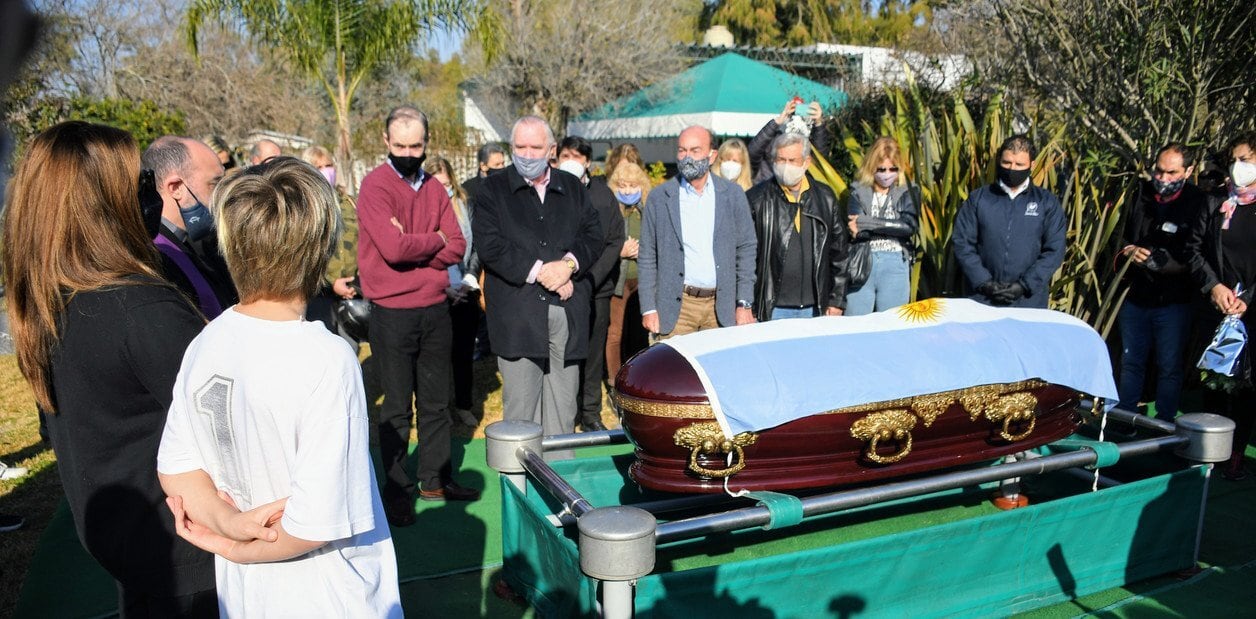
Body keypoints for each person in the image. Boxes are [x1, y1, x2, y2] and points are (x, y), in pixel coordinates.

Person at [156, 157, 402, 617]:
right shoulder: (327, 358)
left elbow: (177, 469)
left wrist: (227, 524)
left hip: (248, 597)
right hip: (330, 594)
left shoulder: (206, 342)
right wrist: (234, 544)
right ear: (322, 244)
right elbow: (316, 522)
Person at [2, 121, 218, 616]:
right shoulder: (140, 309)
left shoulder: (50, 299)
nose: (146, 196)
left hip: (122, 533)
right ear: (102, 203)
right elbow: (228, 415)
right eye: (135, 183)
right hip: (184, 549)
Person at [358, 105, 477, 527]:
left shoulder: (433, 188)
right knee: (395, 409)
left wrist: (416, 243)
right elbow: (391, 249)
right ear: (386, 143)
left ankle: (436, 479)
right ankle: (395, 492)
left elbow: (457, 245)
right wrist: (433, 242)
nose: (410, 152)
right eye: (401, 145)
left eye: (417, 145)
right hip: (391, 314)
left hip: (434, 309)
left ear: (427, 143)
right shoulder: (375, 186)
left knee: (435, 403)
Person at [471, 116, 602, 456]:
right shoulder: (492, 191)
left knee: (562, 411)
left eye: (535, 147)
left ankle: (562, 491)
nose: (527, 154)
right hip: (518, 316)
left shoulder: (572, 188)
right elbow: (491, 246)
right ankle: (522, 495)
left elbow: (593, 235)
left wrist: (569, 265)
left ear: (552, 150)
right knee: (521, 414)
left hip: (567, 311)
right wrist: (543, 272)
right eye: (520, 147)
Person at [1115, 143, 1208, 422]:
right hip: (1134, 295)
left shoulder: (1198, 201)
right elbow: (1118, 235)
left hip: (1174, 301)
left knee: (1169, 365)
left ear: (1188, 171)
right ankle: (1125, 418)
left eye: (1171, 172)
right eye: (1159, 170)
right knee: (1131, 361)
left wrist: (1165, 262)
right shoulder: (1139, 193)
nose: (1163, 178)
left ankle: (1164, 424)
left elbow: (1196, 251)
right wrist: (1129, 251)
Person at [639, 125, 758, 339]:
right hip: (677, 308)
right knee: (674, 372)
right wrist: (648, 308)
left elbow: (746, 248)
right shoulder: (660, 197)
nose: (687, 158)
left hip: (721, 308)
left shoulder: (732, 195)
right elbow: (647, 254)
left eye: (695, 151)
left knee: (720, 372)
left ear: (712, 156)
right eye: (682, 150)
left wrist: (744, 303)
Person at [1185, 132, 1256, 480]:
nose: (1236, 167)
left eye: (1245, 160)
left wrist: (1248, 299)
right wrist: (1214, 286)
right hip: (1217, 306)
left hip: (1250, 310)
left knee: (1247, 385)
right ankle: (1209, 451)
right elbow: (1194, 249)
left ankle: (1237, 453)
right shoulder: (1215, 202)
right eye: (1234, 159)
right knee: (1214, 381)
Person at [557, 135, 626, 432]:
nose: (571, 161)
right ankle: (566, 410)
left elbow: (614, 241)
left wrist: (590, 278)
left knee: (593, 351)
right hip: (559, 287)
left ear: (587, 161)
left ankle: (589, 411)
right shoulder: (551, 191)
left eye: (577, 155)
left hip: (595, 288)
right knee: (566, 351)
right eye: (565, 155)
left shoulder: (602, 194)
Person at [952, 134, 1066, 308]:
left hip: (1028, 302)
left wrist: (1024, 286)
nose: (1012, 168)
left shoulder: (1046, 202)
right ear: (999, 161)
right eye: (1007, 163)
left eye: (1019, 164)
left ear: (1032, 165)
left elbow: (1054, 250)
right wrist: (985, 283)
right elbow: (962, 243)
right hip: (981, 300)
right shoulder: (979, 199)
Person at [746, 133, 848, 320]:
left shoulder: (825, 198)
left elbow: (839, 253)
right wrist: (748, 305)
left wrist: (837, 300)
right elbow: (746, 257)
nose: (786, 166)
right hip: (772, 308)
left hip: (815, 308)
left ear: (806, 162)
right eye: (781, 159)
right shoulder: (756, 199)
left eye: (792, 160)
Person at [142, 136, 239, 319]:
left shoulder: (198, 243)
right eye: (214, 184)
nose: (223, 195)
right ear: (176, 187)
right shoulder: (154, 258)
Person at [425, 156, 482, 428]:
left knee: (463, 353)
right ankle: (439, 408)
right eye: (437, 184)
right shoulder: (421, 209)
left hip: (465, 288)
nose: (443, 190)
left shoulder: (465, 204)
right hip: (436, 290)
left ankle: (463, 405)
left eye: (447, 184)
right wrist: (444, 284)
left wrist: (469, 277)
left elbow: (476, 244)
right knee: (436, 356)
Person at [844, 136, 920, 315]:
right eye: (881, 169)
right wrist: (890, 226)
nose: (887, 174)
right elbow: (855, 230)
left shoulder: (909, 190)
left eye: (893, 169)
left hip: (895, 262)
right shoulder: (858, 191)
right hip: (862, 262)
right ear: (872, 167)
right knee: (855, 324)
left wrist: (868, 223)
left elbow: (908, 227)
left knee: (892, 326)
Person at [300, 145, 359, 335]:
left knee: (351, 347)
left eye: (328, 165)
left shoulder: (350, 202)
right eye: (318, 167)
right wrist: (332, 282)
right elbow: (304, 253)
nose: (326, 171)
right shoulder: (302, 207)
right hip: (320, 294)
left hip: (354, 289)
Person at [606, 161, 652, 386]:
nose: (626, 190)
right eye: (622, 185)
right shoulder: (612, 211)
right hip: (619, 280)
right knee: (615, 333)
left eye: (632, 185)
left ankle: (636, 377)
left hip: (641, 280)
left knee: (638, 333)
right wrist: (620, 250)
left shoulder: (646, 211)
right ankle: (614, 380)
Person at [747, 98, 831, 184]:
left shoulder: (808, 138)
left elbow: (818, 162)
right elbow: (751, 155)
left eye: (792, 160)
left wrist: (818, 124)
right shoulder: (774, 137)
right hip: (768, 188)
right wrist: (777, 121)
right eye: (781, 159)